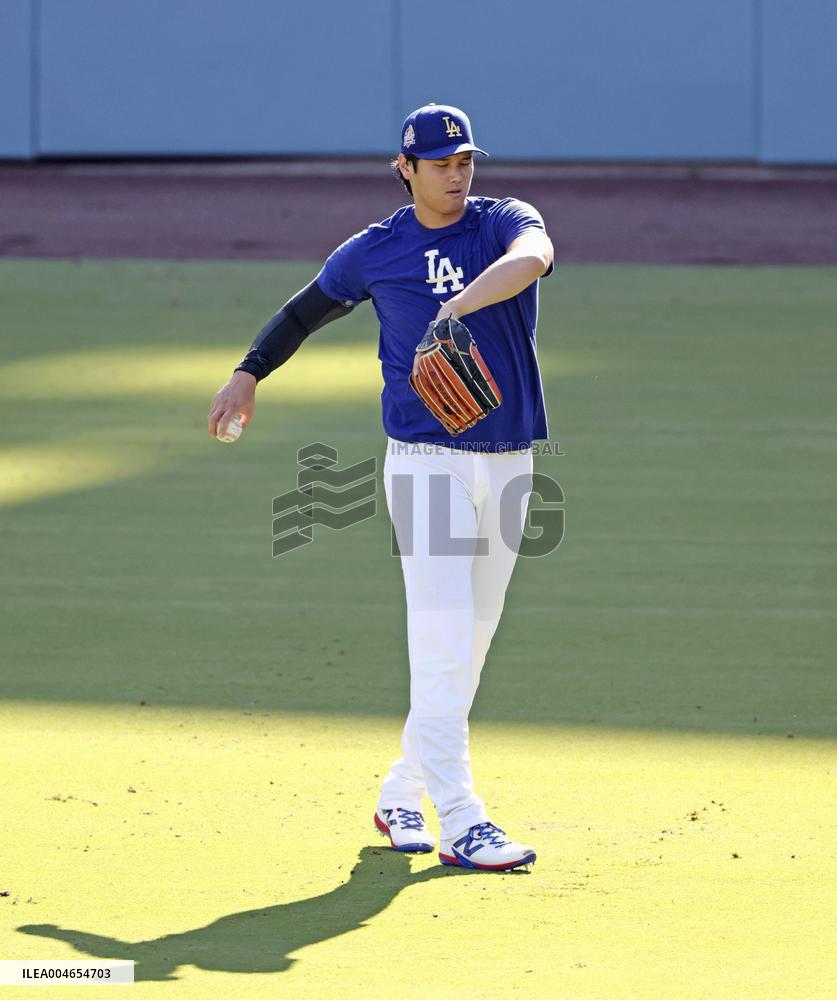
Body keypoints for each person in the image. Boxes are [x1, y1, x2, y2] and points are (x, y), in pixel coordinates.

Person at [208, 103, 554, 872]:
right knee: (440, 636)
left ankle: (403, 789)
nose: (457, 173)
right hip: (425, 461)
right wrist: (246, 375)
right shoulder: (375, 251)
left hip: (507, 460)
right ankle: (463, 820)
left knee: (469, 644)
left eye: (464, 160)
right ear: (405, 168)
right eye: (440, 163)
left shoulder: (501, 221)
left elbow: (535, 256)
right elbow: (302, 312)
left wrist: (455, 308)